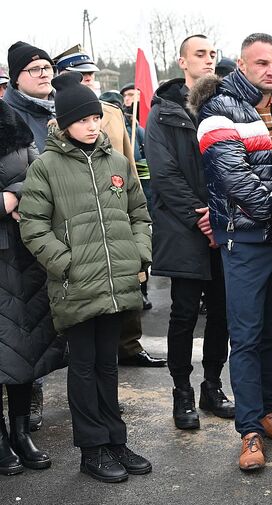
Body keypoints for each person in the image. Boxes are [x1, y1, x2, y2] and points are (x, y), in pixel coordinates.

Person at [19, 72, 153, 483]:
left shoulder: (116, 162)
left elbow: (139, 215)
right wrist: (67, 264)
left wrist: (138, 256)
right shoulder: (47, 167)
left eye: (96, 117)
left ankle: (115, 439)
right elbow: (32, 226)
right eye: (83, 119)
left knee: (108, 364)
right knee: (83, 365)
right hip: (76, 286)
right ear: (64, 123)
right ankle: (91, 449)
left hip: (117, 284)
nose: (93, 125)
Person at [191, 33, 272, 471]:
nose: (271, 71)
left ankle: (266, 412)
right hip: (245, 241)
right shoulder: (217, 109)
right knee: (245, 337)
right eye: (261, 63)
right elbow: (232, 178)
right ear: (241, 63)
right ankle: (249, 432)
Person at [55, 49, 166, 370]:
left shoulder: (111, 113)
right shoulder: (59, 117)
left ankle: (129, 346)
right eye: (82, 76)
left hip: (117, 213)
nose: (89, 81)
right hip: (78, 228)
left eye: (92, 76)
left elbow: (128, 165)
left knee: (129, 284)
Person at [144, 34, 234, 431]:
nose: (209, 60)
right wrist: (202, 217)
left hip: (224, 227)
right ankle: (181, 391)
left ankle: (211, 386)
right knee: (182, 315)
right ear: (183, 62)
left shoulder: (226, 105)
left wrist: (221, 217)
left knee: (223, 314)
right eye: (200, 54)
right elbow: (164, 174)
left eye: (213, 54)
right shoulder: (163, 111)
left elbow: (233, 162)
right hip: (185, 229)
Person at [0, 98, 66, 476]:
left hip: (23, 255)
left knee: (24, 349)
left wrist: (20, 193)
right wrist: (5, 199)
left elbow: (40, 170)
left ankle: (21, 433)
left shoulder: (14, 124)